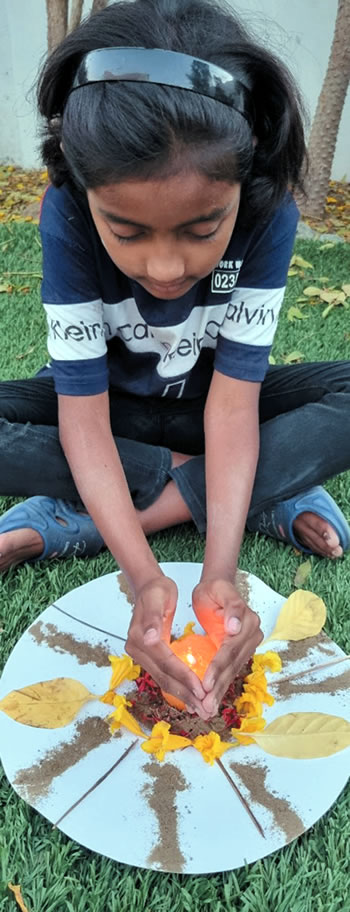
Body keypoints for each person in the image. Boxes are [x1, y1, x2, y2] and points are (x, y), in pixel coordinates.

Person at [0, 0, 349, 719]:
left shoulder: (270, 211)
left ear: (241, 192)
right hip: (111, 417)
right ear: (82, 186)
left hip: (212, 405)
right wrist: (145, 580)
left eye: (202, 228)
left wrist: (217, 572)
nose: (164, 267)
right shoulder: (65, 207)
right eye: (125, 230)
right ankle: (253, 494)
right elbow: (83, 419)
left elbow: (233, 402)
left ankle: (90, 517)